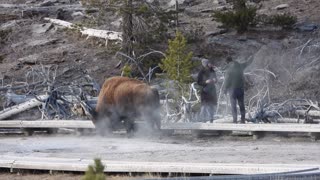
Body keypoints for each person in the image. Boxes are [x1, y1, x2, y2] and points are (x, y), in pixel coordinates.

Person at [223, 56, 254, 124]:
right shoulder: (240, 66)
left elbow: (227, 80)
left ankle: (235, 120)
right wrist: (252, 57)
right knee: (241, 104)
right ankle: (242, 120)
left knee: (233, 105)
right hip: (240, 89)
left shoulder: (229, 69)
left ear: (227, 62)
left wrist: (224, 89)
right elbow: (248, 63)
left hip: (232, 90)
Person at [197, 58, 218, 123]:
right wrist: (205, 82)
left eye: (208, 63)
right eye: (207, 63)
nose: (209, 64)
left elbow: (216, 79)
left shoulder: (212, 71)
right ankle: (203, 120)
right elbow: (199, 82)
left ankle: (211, 119)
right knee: (204, 106)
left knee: (211, 105)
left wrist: (215, 80)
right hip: (204, 91)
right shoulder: (201, 71)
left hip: (212, 90)